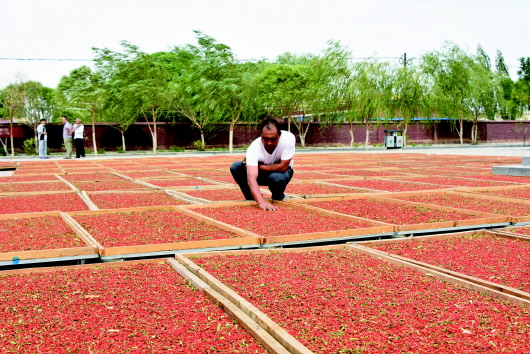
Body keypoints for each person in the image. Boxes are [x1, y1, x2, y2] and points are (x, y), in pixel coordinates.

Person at [230, 118, 295, 211]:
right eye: (265, 139)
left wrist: (258, 166)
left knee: (276, 178)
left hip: (280, 173)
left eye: (273, 139)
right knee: (236, 167)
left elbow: (282, 167)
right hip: (262, 174)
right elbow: (251, 178)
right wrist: (261, 202)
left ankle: (278, 197)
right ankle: (252, 198)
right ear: (261, 135)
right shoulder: (254, 148)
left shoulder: (288, 138)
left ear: (279, 136)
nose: (269, 143)